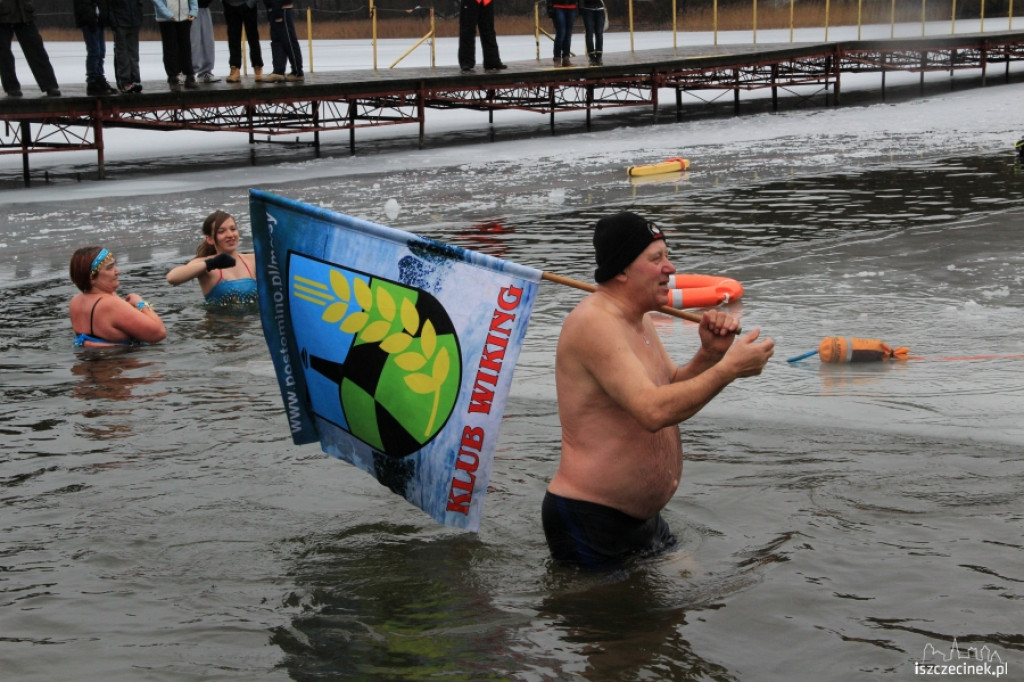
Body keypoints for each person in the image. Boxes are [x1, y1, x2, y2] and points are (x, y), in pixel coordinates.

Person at [542, 212, 775, 569]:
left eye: (667, 255)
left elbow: (670, 390)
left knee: (676, 616)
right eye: (656, 259)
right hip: (591, 518)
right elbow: (653, 412)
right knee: (611, 624)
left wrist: (710, 355)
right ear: (621, 270)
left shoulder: (639, 317)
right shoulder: (594, 323)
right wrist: (728, 370)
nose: (670, 267)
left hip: (642, 520)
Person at [69, 246, 167, 348]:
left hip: (89, 361)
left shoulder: (75, 301)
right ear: (92, 278)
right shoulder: (111, 304)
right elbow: (159, 333)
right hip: (119, 362)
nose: (118, 271)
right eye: (110, 267)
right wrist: (141, 303)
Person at [165, 210, 258, 307]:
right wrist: (210, 264)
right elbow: (172, 278)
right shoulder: (204, 263)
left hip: (251, 321)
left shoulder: (252, 260)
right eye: (221, 231)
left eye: (233, 229)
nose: (230, 235)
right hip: (218, 321)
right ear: (210, 239)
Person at [0, 0, 60, 97]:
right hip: (2, 15)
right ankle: (11, 87)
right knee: (4, 53)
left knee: (36, 49)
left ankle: (49, 85)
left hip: (24, 13)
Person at [73, 0, 118, 96]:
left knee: (101, 51)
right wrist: (90, 18)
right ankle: (92, 81)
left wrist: (103, 16)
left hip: (99, 20)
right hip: (89, 21)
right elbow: (82, 5)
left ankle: (99, 78)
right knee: (94, 51)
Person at [152, 0, 198, 90]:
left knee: (186, 46)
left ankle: (189, 75)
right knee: (170, 47)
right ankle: (173, 77)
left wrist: (194, 10)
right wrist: (166, 13)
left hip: (185, 16)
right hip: (166, 18)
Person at [457, 0, 506, 74]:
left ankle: (492, 61)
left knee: (488, 30)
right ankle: (466, 62)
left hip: (487, 1)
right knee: (467, 30)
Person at [222, 0, 264, 82]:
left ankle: (257, 66)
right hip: (230, 6)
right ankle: (235, 68)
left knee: (253, 37)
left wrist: (251, 3)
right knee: (233, 38)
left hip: (248, 5)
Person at [108, 0, 144, 93]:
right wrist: (114, 23)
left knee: (134, 53)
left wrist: (139, 17)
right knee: (122, 54)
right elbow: (109, 6)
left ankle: (135, 79)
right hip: (120, 23)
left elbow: (139, 3)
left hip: (134, 22)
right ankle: (125, 82)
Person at [262, 0, 302, 82]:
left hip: (282, 8)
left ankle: (297, 72)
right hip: (273, 8)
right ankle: (278, 71)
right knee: (276, 40)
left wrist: (277, 8)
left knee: (289, 40)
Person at [190, 0, 219, 83]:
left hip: (204, 7)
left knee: (207, 41)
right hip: (189, 9)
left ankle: (205, 72)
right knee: (193, 41)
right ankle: (188, 72)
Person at [546, 0, 576, 67]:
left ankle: (566, 58)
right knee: (561, 33)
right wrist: (549, 7)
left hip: (572, 6)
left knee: (568, 34)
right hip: (558, 6)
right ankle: (557, 58)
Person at [580, 0, 604, 66]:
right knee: (589, 33)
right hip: (588, 9)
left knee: (599, 33)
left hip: (600, 8)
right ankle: (591, 56)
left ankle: (599, 56)